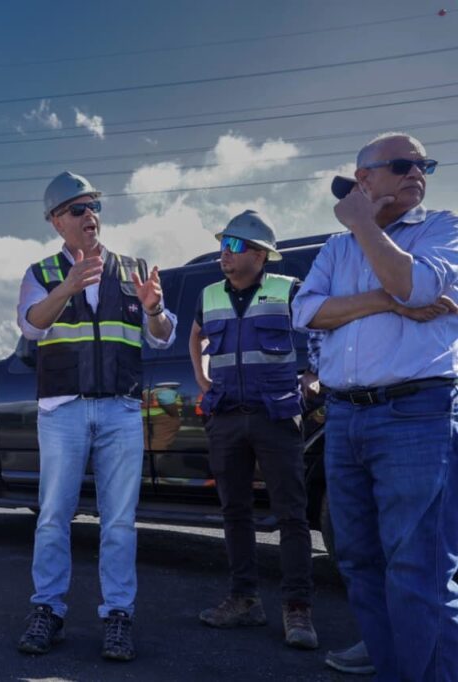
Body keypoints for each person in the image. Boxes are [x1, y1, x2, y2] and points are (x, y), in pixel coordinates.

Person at [293, 132, 458, 680]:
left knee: (419, 570)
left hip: (416, 415)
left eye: (423, 164)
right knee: (359, 562)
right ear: (364, 179)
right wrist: (383, 303)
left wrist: (361, 223)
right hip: (345, 416)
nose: (418, 172)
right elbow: (306, 312)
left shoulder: (442, 228)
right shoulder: (334, 249)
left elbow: (415, 286)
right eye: (402, 164)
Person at [15, 171, 176, 661]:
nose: (90, 216)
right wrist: (65, 287)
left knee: (120, 521)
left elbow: (162, 336)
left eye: (94, 207)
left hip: (121, 409)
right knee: (53, 517)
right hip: (63, 409)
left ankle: (119, 615)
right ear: (56, 221)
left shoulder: (133, 268)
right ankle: (48, 611)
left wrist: (153, 310)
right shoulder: (41, 273)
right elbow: (31, 323)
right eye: (78, 209)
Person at [187, 210, 317, 649]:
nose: (226, 252)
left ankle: (297, 610)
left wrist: (313, 374)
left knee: (291, 515)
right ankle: (243, 601)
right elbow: (195, 338)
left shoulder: (288, 291)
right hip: (226, 416)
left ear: (261, 255)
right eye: (224, 243)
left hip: (276, 416)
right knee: (234, 512)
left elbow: (321, 331)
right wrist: (204, 382)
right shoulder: (208, 295)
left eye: (236, 245)